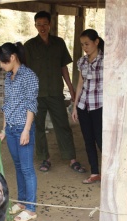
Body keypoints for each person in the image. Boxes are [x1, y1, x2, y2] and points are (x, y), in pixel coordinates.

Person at [24, 10, 85, 173]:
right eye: (39, 24)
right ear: (35, 25)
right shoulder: (29, 46)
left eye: (45, 24)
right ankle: (45, 158)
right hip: (36, 95)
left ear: (50, 25)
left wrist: (71, 89)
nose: (42, 27)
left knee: (63, 126)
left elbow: (63, 67)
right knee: (38, 127)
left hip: (56, 93)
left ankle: (72, 159)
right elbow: (25, 72)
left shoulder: (59, 43)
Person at [0, 42, 39, 221]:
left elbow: (31, 105)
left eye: (3, 62)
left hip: (23, 128)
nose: (1, 65)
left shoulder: (29, 76)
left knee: (27, 168)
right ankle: (22, 202)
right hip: (12, 129)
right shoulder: (8, 77)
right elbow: (7, 104)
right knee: (18, 166)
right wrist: (4, 129)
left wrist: (27, 130)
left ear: (12, 58)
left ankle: (31, 208)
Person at [71, 29, 104, 184]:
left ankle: (109, 173)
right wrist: (75, 106)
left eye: (87, 43)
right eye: (82, 44)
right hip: (84, 105)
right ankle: (95, 172)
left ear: (96, 42)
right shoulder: (82, 62)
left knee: (101, 140)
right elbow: (80, 84)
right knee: (88, 140)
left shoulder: (106, 60)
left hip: (100, 105)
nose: (85, 47)